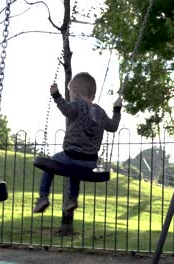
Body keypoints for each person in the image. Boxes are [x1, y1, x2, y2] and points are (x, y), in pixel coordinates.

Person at [33, 72, 122, 213]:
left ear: (74, 91)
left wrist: (56, 95)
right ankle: (72, 200)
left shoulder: (77, 105)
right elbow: (113, 127)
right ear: (92, 95)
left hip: (71, 155)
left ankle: (43, 197)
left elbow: (66, 110)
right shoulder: (100, 112)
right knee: (75, 171)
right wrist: (117, 110)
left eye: (70, 93)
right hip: (90, 161)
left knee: (50, 165)